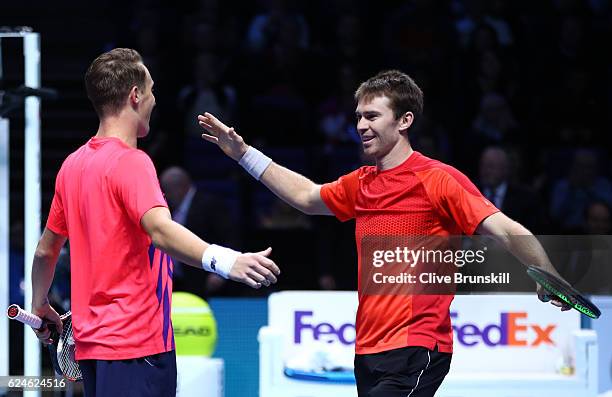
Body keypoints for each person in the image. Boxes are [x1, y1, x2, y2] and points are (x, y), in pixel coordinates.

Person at [198, 70, 569, 397]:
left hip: (417, 345)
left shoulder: (437, 180)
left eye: (372, 116)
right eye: (358, 116)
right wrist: (244, 154)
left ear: (404, 120)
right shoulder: (361, 184)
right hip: (368, 349)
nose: (361, 125)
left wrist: (544, 271)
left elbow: (502, 227)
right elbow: (305, 196)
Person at [30, 48, 280, 397]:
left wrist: (40, 305)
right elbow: (161, 230)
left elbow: (45, 252)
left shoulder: (72, 166)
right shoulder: (133, 163)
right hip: (137, 347)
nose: (154, 100)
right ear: (135, 95)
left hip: (92, 350)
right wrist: (226, 260)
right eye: (150, 90)